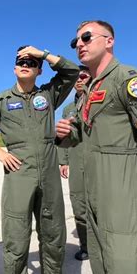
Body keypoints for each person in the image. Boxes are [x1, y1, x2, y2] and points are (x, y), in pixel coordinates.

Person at [56, 20, 137, 274]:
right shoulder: (92, 89)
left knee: (128, 266)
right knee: (103, 264)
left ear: (109, 41)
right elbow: (88, 131)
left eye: (87, 37)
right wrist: (67, 133)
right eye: (76, 42)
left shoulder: (130, 81)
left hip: (125, 193)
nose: (79, 44)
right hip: (96, 192)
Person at [0, 46, 79, 274]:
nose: (25, 65)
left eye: (31, 63)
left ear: (39, 70)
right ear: (14, 68)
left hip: (49, 174)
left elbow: (70, 72)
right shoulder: (1, 100)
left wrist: (43, 54)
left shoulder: (48, 95)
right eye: (20, 61)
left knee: (53, 235)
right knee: (16, 238)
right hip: (19, 173)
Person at [57, 66, 91, 261]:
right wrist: (63, 161)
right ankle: (85, 246)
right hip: (76, 160)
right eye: (76, 78)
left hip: (98, 162)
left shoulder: (99, 102)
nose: (79, 81)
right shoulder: (68, 109)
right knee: (79, 205)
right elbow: (63, 135)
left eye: (84, 77)